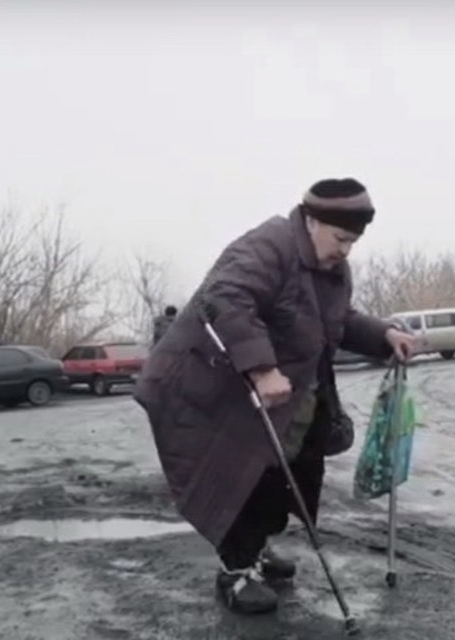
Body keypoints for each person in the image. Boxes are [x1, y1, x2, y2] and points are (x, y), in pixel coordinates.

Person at [133, 178, 415, 616]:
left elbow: (338, 320)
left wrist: (385, 335)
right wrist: (263, 368)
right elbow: (225, 297)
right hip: (213, 387)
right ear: (313, 220)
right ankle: (235, 570)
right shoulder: (269, 245)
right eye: (341, 238)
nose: (346, 250)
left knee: (283, 477)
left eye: (353, 242)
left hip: (280, 396)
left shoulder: (332, 269)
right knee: (241, 479)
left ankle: (255, 550)